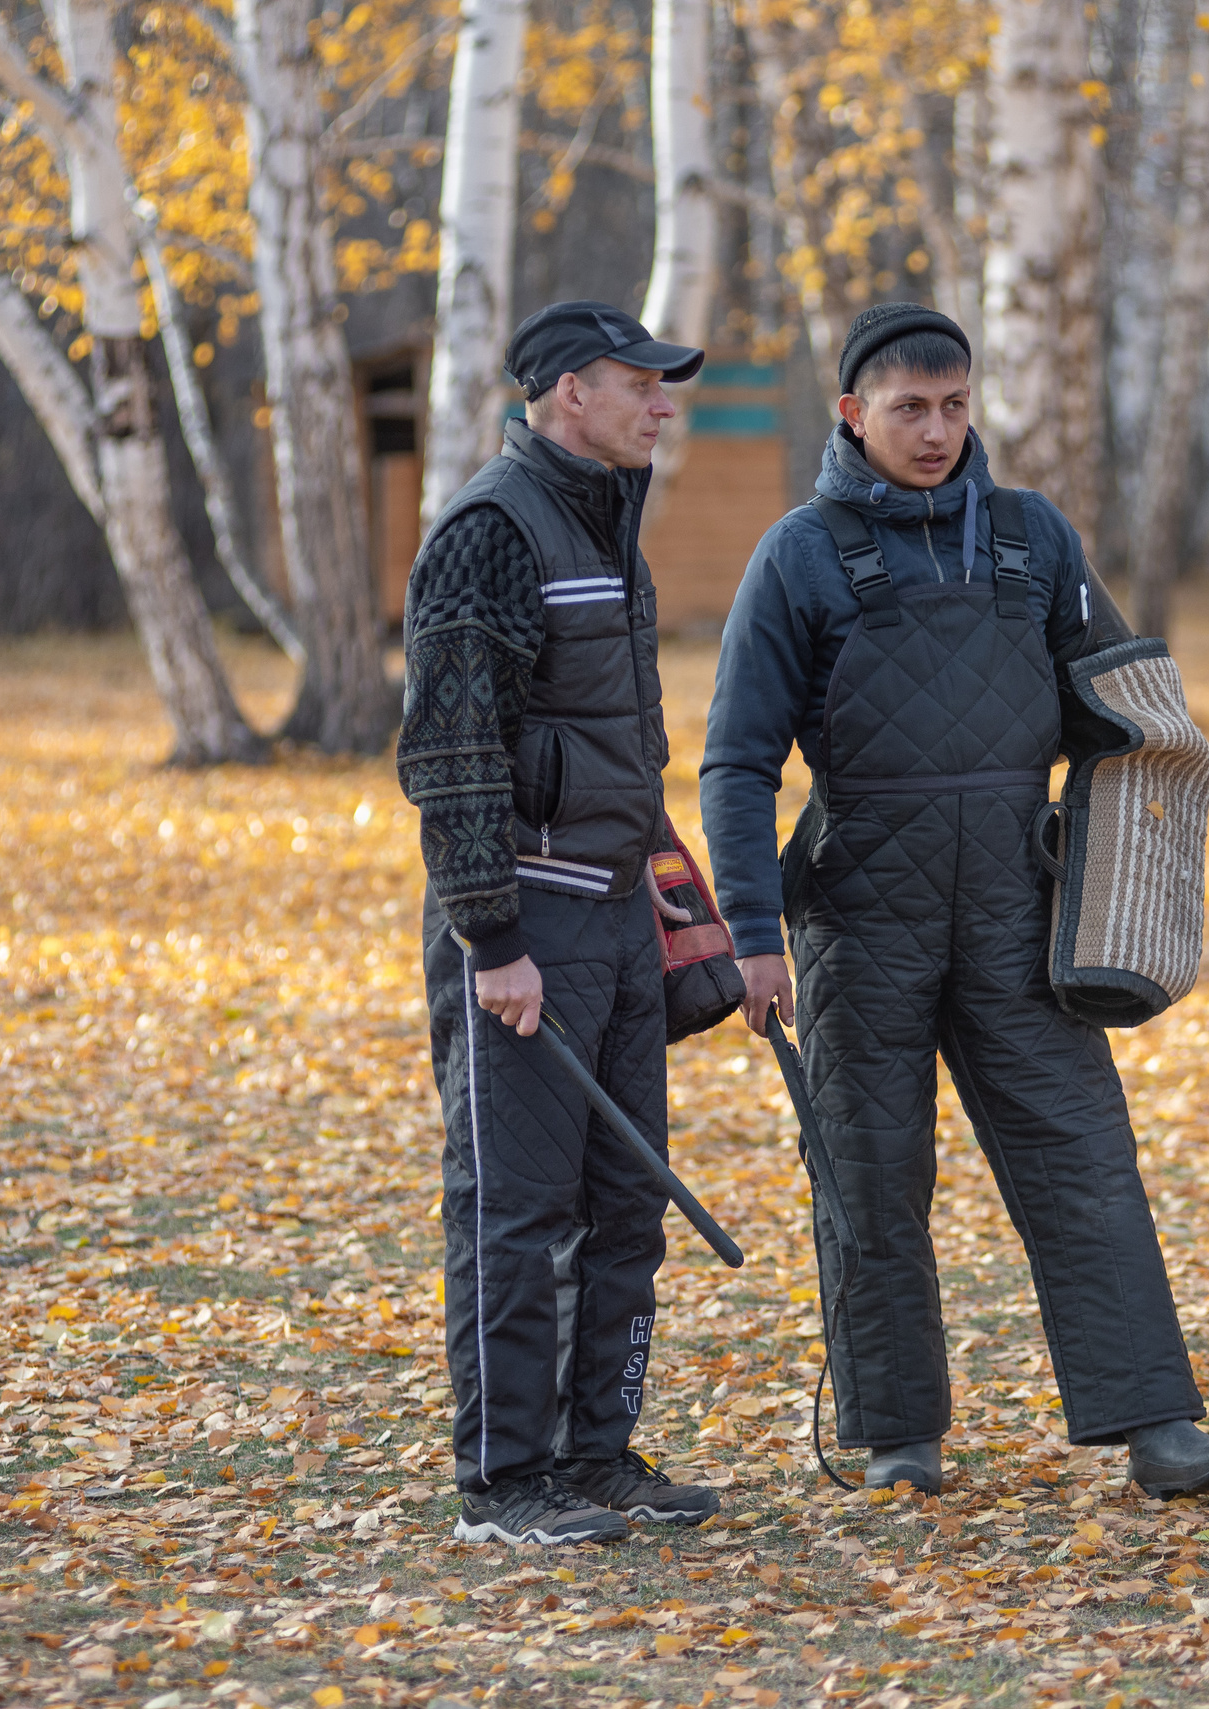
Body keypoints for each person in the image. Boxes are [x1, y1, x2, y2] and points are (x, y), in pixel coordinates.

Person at [697, 302, 1209, 1500]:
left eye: (956, 405)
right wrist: (752, 937)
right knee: (870, 1170)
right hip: (860, 915)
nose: (938, 429)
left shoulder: (1031, 538)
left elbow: (1126, 718)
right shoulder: (800, 554)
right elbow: (737, 764)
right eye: (911, 407)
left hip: (1019, 911)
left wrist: (1128, 885)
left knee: (1084, 1161)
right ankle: (899, 1434)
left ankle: (1157, 1426)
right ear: (854, 414)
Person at [397, 300, 719, 1547]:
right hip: (526, 928)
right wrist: (491, 938)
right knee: (515, 1210)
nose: (664, 405)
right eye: (643, 385)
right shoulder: (489, 529)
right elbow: (451, 753)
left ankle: (595, 1458)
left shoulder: (610, 521)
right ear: (569, 392)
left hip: (618, 925)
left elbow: (610, 750)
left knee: (622, 1207)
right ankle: (502, 1482)